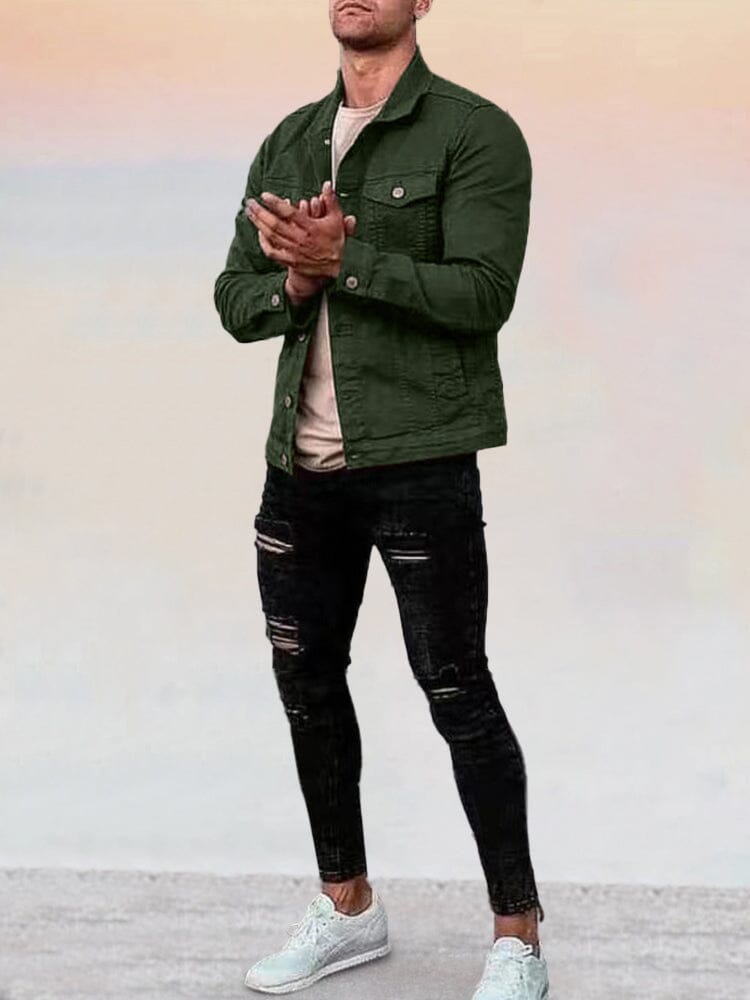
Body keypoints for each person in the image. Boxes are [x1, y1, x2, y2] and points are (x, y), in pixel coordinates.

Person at [213, 2, 550, 997]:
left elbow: (483, 293)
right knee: (308, 685)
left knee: (457, 690)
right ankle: (349, 906)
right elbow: (234, 298)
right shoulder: (290, 140)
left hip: (420, 462)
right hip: (299, 470)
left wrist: (343, 261)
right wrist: (294, 286)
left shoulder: (474, 133)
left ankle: (518, 936)